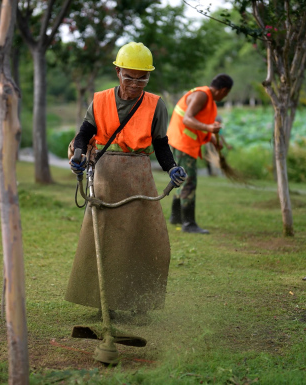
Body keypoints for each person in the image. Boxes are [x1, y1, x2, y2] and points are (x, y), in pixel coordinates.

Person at [64, 42, 186, 314]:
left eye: (142, 77)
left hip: (139, 176)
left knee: (142, 241)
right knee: (103, 240)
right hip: (106, 175)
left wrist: (171, 168)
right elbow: (85, 132)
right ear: (118, 72)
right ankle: (102, 306)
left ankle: (138, 306)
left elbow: (161, 143)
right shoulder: (101, 99)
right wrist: (79, 155)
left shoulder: (156, 105)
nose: (135, 83)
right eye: (129, 76)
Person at [167, 74, 233, 234]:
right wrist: (210, 128)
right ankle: (188, 224)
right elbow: (187, 119)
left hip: (183, 141)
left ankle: (176, 217)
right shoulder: (202, 95)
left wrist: (211, 139)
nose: (225, 96)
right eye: (226, 93)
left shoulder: (208, 99)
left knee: (182, 179)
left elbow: (197, 125)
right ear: (223, 90)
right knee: (189, 181)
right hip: (183, 142)